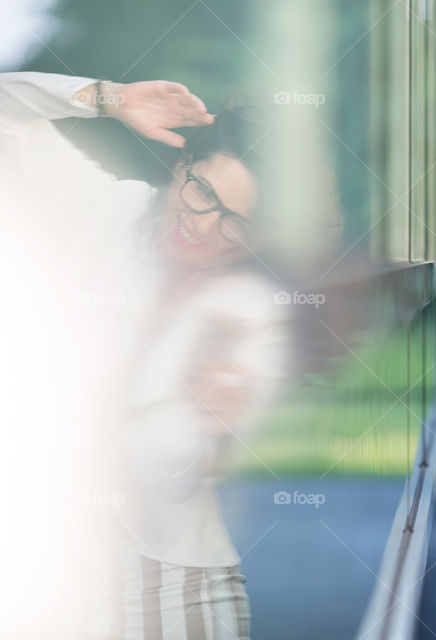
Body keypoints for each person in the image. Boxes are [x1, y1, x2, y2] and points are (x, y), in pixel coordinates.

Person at [0, 71, 290, 639]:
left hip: (176, 585)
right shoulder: (105, 207)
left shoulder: (246, 306)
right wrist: (110, 98)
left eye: (235, 222)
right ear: (180, 165)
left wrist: (213, 423)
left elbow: (176, 468)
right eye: (202, 192)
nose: (203, 226)